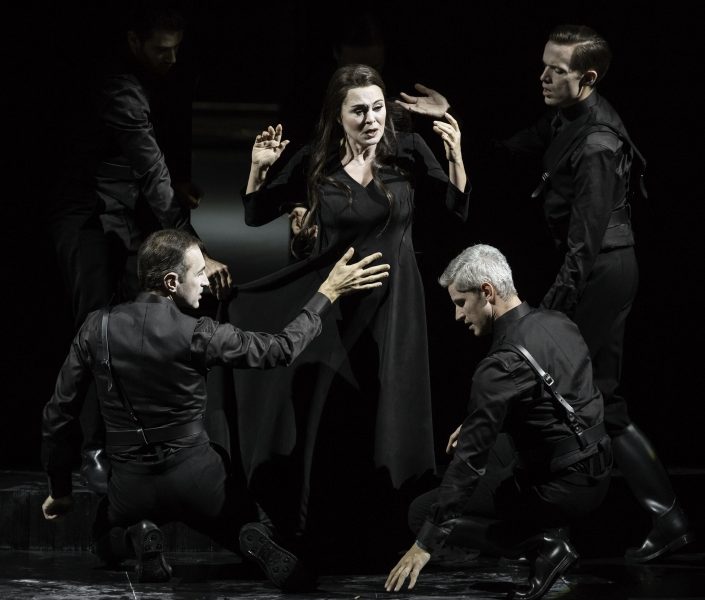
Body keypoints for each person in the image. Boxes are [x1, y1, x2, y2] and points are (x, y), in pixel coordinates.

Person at [396, 24, 694, 562]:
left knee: (594, 394)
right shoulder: (567, 115)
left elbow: (584, 247)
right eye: (544, 65)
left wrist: (539, 323)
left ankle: (627, 515)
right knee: (604, 398)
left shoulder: (598, 144)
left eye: (556, 70)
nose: (543, 76)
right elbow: (512, 146)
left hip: (603, 271)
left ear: (588, 78)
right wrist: (450, 117)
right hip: (597, 265)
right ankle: (645, 515)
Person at [40, 228, 390, 589]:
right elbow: (280, 349)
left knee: (102, 540)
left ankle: (136, 536)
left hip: (131, 485)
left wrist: (60, 488)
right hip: (199, 479)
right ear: (172, 282)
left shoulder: (95, 328)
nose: (206, 282)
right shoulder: (200, 332)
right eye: (199, 273)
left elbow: (58, 413)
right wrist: (327, 293)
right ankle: (251, 536)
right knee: (252, 527)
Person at [224, 63, 470, 566]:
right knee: (336, 413)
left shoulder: (407, 151)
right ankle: (327, 531)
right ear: (338, 116)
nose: (372, 119)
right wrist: (257, 168)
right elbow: (255, 214)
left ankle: (387, 529)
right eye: (359, 111)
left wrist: (456, 157)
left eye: (378, 108)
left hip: (396, 304)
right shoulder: (314, 160)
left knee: (387, 409)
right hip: (337, 306)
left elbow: (455, 211)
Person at [44, 3, 232, 493]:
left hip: (129, 211)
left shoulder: (166, 76)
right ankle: (91, 448)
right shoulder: (118, 86)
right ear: (133, 41)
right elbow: (150, 168)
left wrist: (179, 185)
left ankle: (141, 440)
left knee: (143, 323)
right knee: (96, 326)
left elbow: (163, 156)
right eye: (161, 50)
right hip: (87, 214)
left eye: (177, 49)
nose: (171, 59)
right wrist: (194, 248)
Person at [385, 244, 612, 600]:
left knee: (422, 511)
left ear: (487, 292)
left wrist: (426, 541)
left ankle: (543, 545)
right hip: (599, 466)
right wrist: (481, 424)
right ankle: (550, 528)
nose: (458, 315)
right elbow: (560, 403)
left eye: (461, 303)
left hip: (566, 488)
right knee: (490, 450)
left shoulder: (498, 366)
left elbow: (468, 464)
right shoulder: (559, 322)